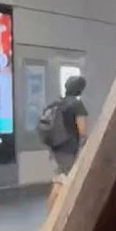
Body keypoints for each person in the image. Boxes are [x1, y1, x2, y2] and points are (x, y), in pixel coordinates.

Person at [44, 74, 89, 209]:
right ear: (80, 89)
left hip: (57, 146)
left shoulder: (59, 103)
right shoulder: (77, 104)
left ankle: (53, 211)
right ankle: (52, 212)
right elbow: (82, 130)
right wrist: (85, 143)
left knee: (61, 177)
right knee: (62, 180)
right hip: (69, 148)